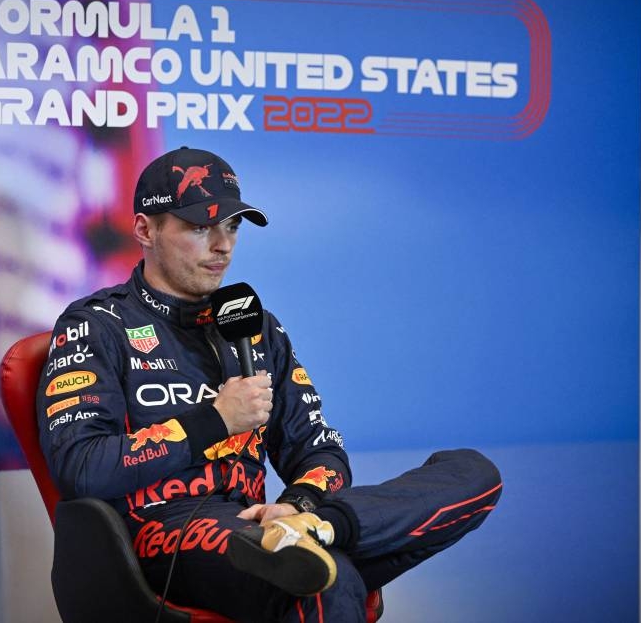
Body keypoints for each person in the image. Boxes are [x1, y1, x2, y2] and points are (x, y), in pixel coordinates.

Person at [37, 147, 502, 622]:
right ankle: (307, 543)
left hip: (263, 531)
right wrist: (215, 420)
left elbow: (321, 451)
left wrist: (297, 505)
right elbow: (81, 467)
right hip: (164, 532)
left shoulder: (257, 328)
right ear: (145, 229)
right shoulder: (96, 325)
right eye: (200, 227)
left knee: (473, 473)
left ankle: (316, 529)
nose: (223, 246)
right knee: (325, 580)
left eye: (232, 227)